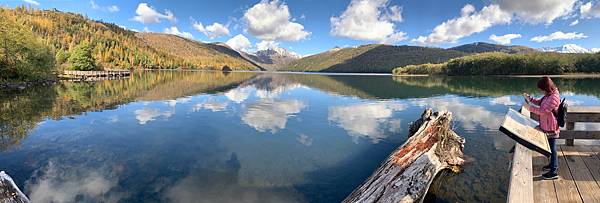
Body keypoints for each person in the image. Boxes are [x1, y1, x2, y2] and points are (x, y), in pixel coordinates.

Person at [523, 76, 561, 180]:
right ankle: (552, 165)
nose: (542, 91)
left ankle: (554, 172)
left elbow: (544, 111)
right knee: (549, 148)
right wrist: (529, 99)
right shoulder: (548, 95)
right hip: (546, 125)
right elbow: (540, 103)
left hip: (551, 127)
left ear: (547, 87)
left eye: (542, 89)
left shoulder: (554, 97)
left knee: (552, 149)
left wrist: (529, 108)